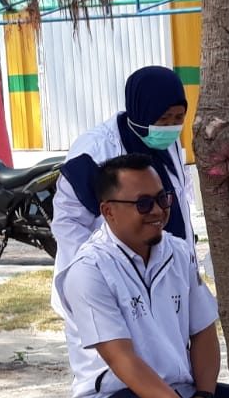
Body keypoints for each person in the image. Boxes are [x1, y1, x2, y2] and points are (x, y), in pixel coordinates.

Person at [56, 155, 229, 398]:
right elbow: (121, 359)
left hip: (181, 392)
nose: (158, 211)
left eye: (163, 199)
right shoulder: (90, 270)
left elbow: (203, 332)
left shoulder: (178, 252)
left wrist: (204, 397)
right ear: (108, 211)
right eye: (143, 204)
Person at [52, 66, 196, 315]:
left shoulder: (167, 143)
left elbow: (179, 202)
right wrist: (100, 275)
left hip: (165, 279)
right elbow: (69, 222)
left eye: (178, 118)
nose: (171, 127)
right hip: (107, 286)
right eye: (163, 119)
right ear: (141, 110)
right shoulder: (94, 151)